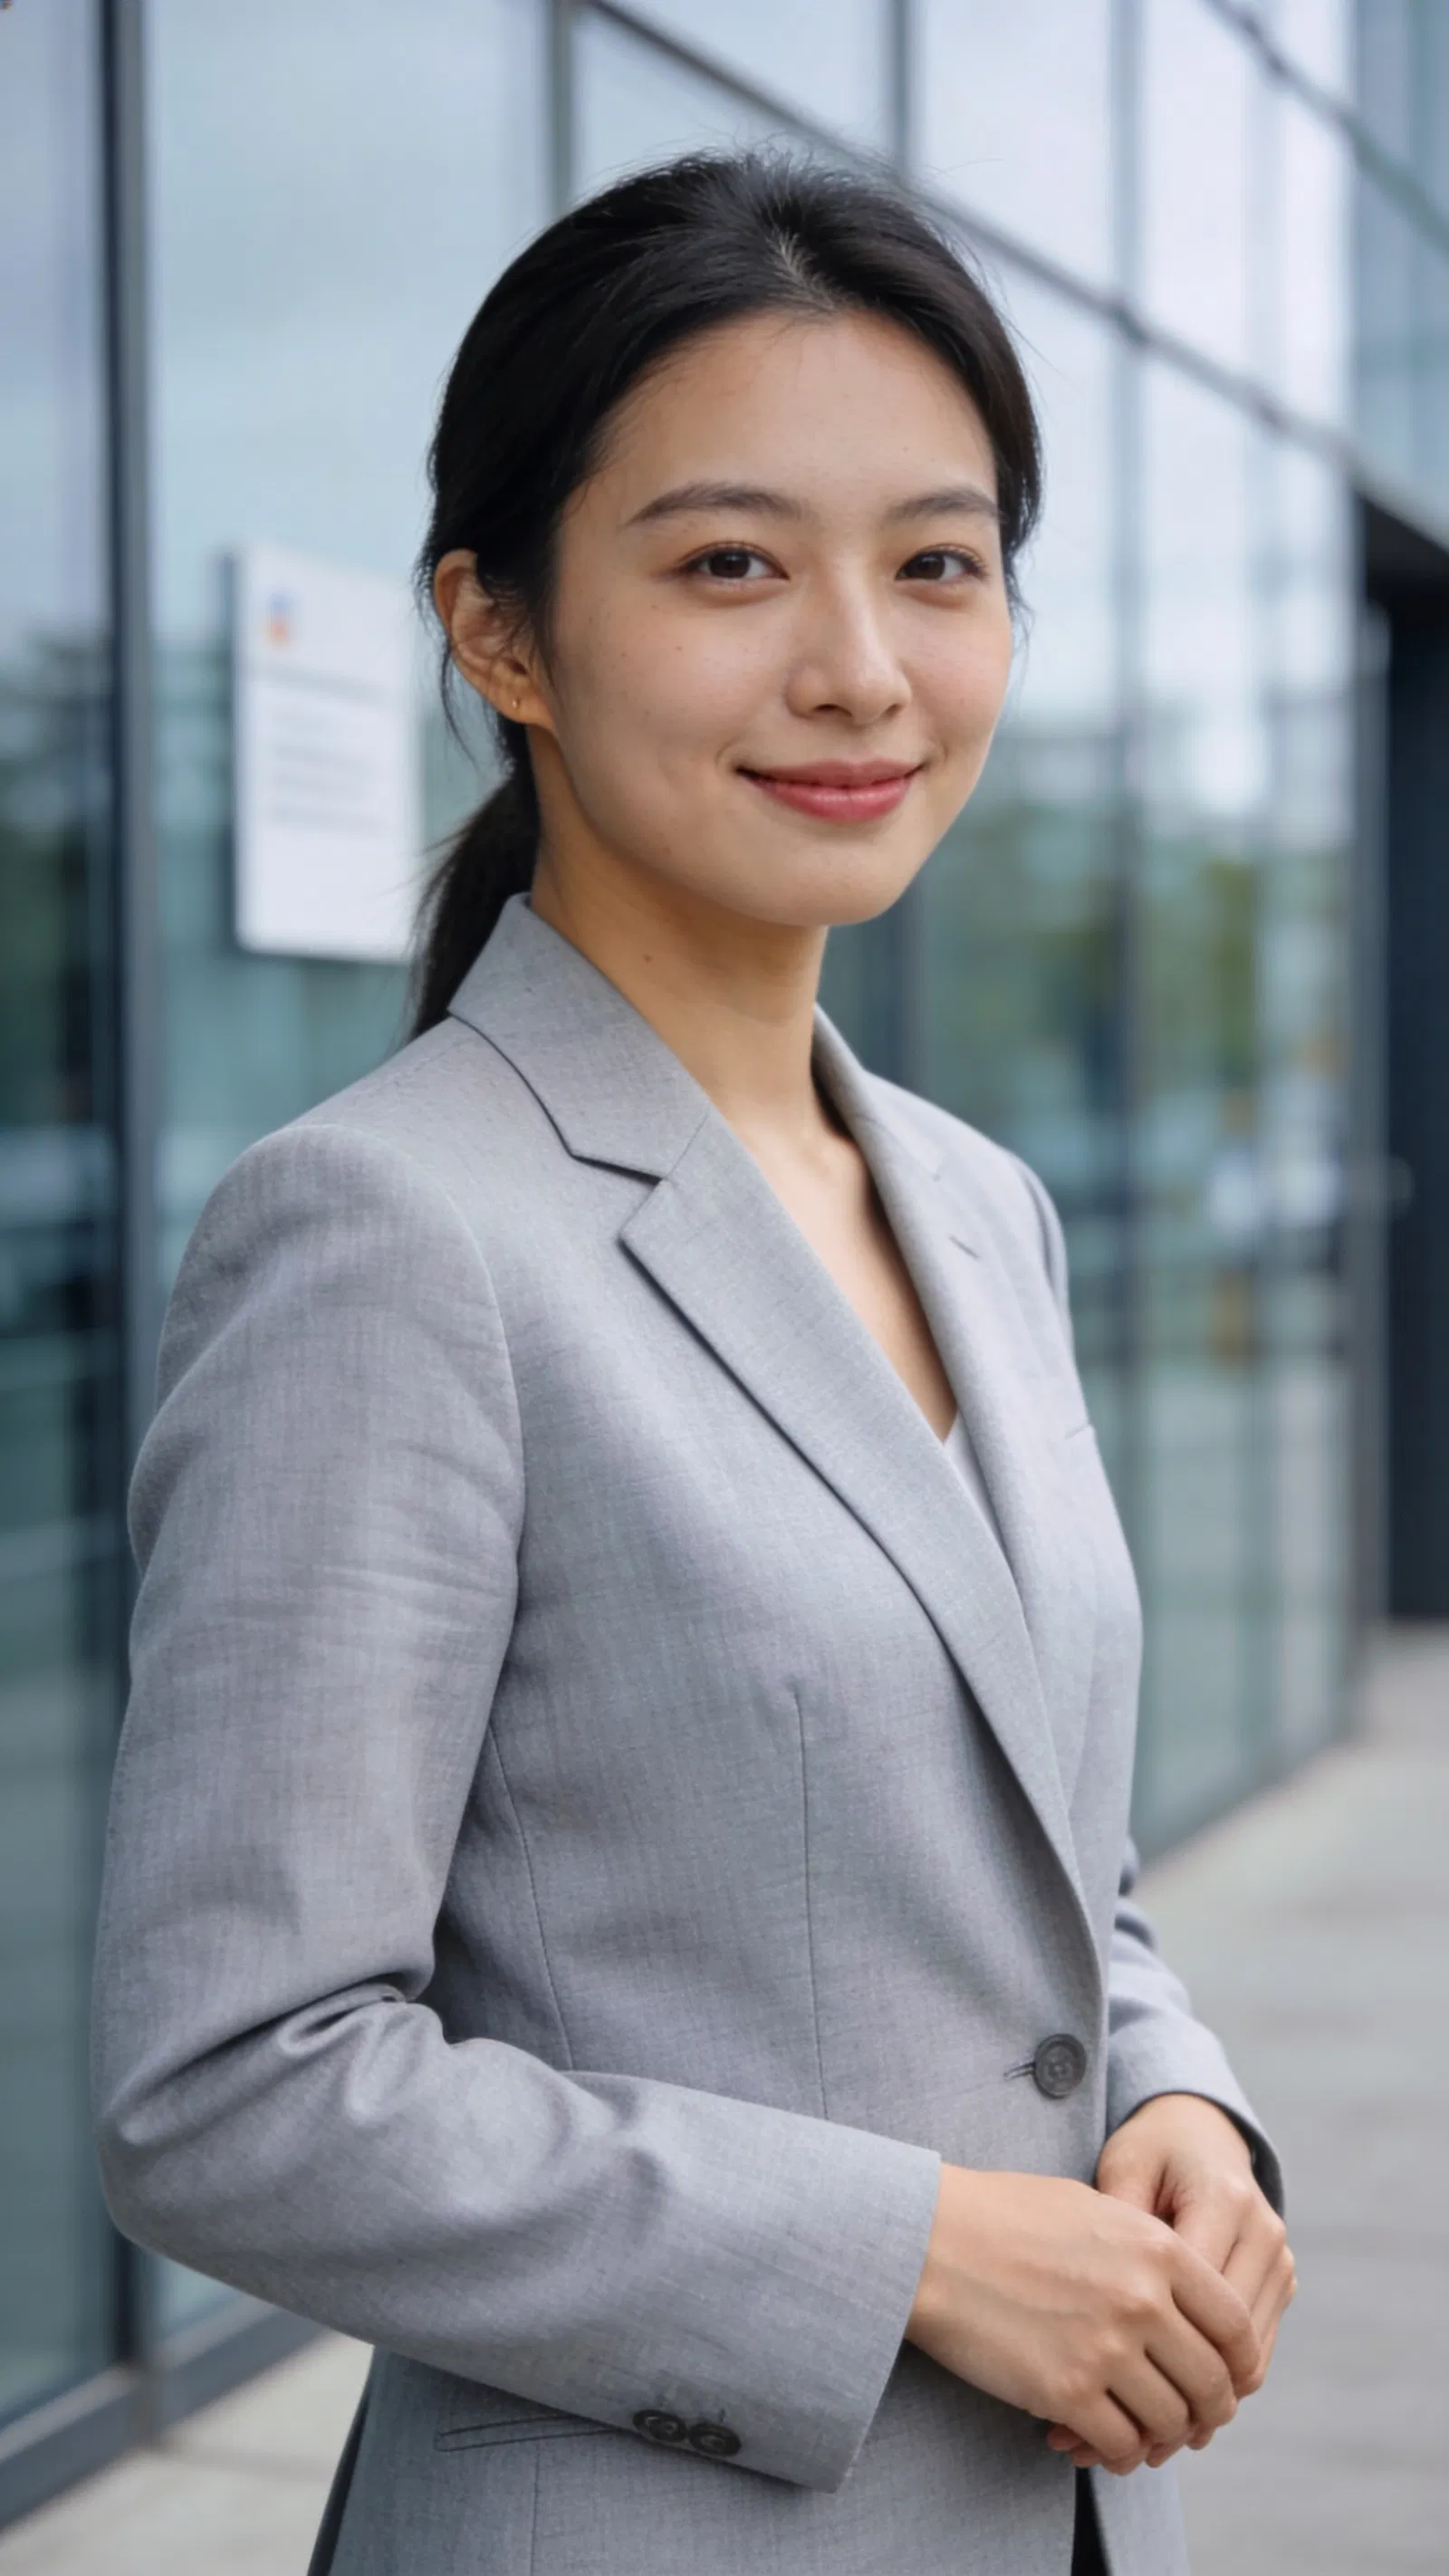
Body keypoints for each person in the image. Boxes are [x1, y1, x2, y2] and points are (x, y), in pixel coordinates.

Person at [91, 153, 1295, 2576]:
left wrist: (1179, 2095)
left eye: (937, 562)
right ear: (503, 631)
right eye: (732, 562)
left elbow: (1052, 1862)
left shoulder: (980, 1207)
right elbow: (226, 2085)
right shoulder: (391, 1232)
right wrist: (918, 2249)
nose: (860, 664)